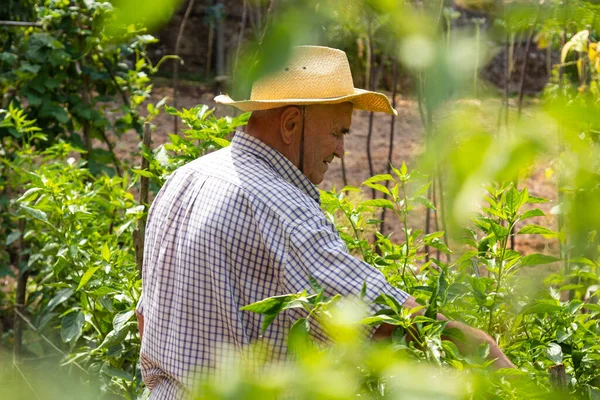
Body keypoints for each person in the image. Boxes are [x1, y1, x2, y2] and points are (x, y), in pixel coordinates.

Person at [136, 45, 514, 399]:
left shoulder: (187, 177)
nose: (340, 150)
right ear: (289, 124)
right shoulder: (280, 203)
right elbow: (375, 314)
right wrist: (478, 345)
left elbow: (144, 318)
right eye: (337, 132)